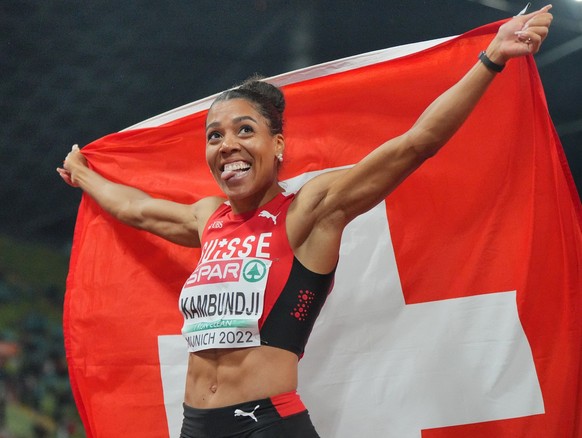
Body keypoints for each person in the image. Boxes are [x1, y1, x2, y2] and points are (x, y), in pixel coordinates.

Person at [57, 6, 553, 438]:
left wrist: (491, 60)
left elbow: (415, 143)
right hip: (195, 425)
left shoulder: (311, 210)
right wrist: (84, 175)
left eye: (244, 130)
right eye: (214, 136)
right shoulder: (209, 217)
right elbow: (135, 210)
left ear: (278, 145)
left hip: (268, 425)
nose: (226, 145)